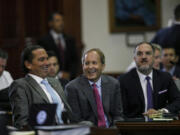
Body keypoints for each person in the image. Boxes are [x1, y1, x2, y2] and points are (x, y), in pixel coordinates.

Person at [8, 45, 72, 129]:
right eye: (42, 60)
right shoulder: (21, 85)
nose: (47, 63)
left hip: (69, 128)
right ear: (28, 64)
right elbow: (22, 123)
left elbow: (68, 111)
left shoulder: (54, 81)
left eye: (47, 59)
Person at [119, 42, 180, 118]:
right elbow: (121, 110)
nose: (144, 57)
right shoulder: (124, 80)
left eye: (148, 53)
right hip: (135, 126)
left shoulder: (165, 78)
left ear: (154, 58)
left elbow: (178, 100)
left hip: (161, 124)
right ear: (134, 59)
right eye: (139, 54)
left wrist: (162, 112)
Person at [65, 48, 123, 127]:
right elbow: (75, 121)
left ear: (103, 66)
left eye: (94, 63)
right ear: (83, 66)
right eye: (87, 63)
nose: (90, 67)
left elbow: (118, 115)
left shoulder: (113, 84)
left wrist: (113, 130)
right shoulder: (72, 88)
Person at [38, 12, 78, 80]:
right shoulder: (43, 41)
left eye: (62, 20)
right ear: (50, 23)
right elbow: (42, 61)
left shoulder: (70, 39)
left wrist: (70, 74)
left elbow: (74, 60)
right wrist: (59, 74)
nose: (61, 23)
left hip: (69, 78)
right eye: (57, 21)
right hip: (51, 78)